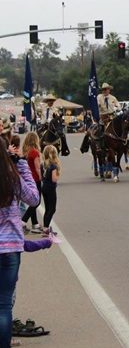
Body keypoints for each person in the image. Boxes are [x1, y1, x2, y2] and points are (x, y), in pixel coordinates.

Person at [0, 131, 39, 348]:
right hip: (11, 248)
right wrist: (21, 165)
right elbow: (33, 199)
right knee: (4, 304)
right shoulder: (12, 178)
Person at [80, 83, 120, 153]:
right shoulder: (99, 97)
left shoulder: (113, 98)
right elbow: (96, 104)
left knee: (119, 127)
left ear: (109, 90)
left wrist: (116, 108)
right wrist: (97, 105)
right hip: (102, 116)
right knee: (100, 128)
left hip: (112, 116)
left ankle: (122, 142)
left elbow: (118, 106)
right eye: (103, 90)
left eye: (106, 89)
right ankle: (98, 144)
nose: (104, 91)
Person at [21, 133, 43, 234]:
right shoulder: (35, 152)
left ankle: (35, 223)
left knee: (32, 201)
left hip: (28, 179)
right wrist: (41, 178)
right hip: (35, 179)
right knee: (36, 201)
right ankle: (23, 221)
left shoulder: (26, 152)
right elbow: (38, 168)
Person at [41, 145, 61, 235]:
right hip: (51, 188)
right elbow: (54, 179)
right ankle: (46, 228)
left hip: (44, 186)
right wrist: (58, 175)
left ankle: (45, 227)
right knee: (52, 208)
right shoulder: (53, 166)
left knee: (47, 208)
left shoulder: (44, 164)